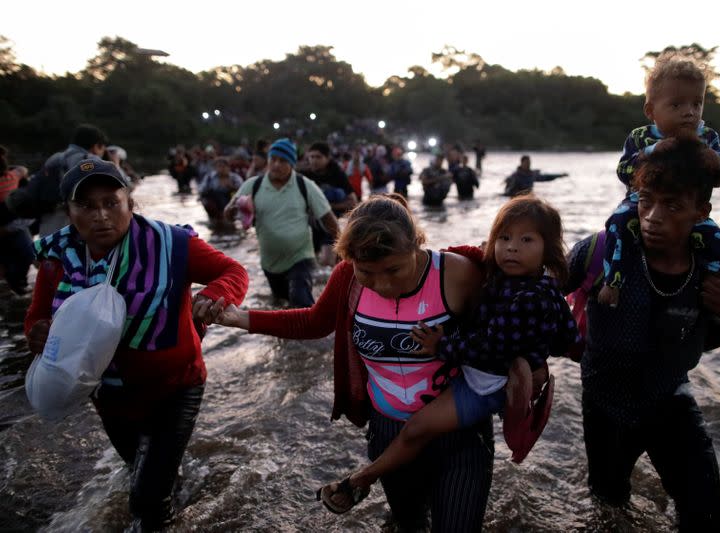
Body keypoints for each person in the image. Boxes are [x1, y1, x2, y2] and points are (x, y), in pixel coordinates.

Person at [211, 195, 509, 532]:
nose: (382, 284)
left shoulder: (457, 274)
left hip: (459, 434)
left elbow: (503, 334)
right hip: (388, 430)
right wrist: (241, 318)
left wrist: (530, 368)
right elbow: (313, 322)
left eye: (394, 270)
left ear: (416, 245)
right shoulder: (347, 279)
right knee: (408, 522)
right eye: (367, 272)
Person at [315, 195, 580, 514]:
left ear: (548, 249)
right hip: (401, 411)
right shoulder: (520, 283)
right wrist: (538, 354)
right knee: (407, 514)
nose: (512, 247)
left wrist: (443, 347)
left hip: (483, 383)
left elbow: (488, 348)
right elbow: (568, 335)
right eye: (505, 238)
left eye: (526, 240)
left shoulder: (526, 297)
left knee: (416, 430)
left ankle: (359, 480)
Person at [24, 159, 248, 530]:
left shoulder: (172, 245)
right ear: (69, 211)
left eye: (111, 203)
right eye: (86, 206)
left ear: (130, 203)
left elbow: (234, 272)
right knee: (140, 469)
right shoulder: (56, 259)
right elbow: (35, 316)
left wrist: (213, 295)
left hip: (175, 387)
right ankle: (174, 481)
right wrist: (37, 332)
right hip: (109, 397)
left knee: (145, 501)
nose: (100, 216)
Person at [566, 138, 720, 532]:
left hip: (669, 399)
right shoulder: (600, 251)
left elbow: (700, 339)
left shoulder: (710, 268)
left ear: (701, 211)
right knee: (609, 505)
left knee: (706, 517)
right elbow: (540, 301)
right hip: (604, 402)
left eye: (672, 206)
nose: (652, 217)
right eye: (645, 200)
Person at [599, 52, 720, 308]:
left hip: (687, 210)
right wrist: (651, 152)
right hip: (639, 204)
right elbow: (623, 171)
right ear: (651, 111)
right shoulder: (641, 138)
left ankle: (719, 289)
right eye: (677, 105)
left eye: (696, 104)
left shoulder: (707, 137)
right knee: (617, 224)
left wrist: (717, 161)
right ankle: (613, 282)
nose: (689, 113)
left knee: (717, 240)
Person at [224, 138, 339, 308]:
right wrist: (234, 209)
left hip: (301, 257)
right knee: (280, 305)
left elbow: (328, 218)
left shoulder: (305, 185)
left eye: (283, 161)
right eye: (273, 159)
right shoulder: (253, 185)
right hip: (270, 263)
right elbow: (227, 214)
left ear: (292, 164)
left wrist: (344, 247)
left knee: (301, 301)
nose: (276, 164)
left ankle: (314, 333)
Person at [0, 145, 35, 294]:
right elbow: (22, 170)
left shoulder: (12, 176)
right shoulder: (13, 175)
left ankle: (17, 283)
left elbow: (22, 170)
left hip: (14, 226)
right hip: (9, 227)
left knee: (28, 254)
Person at [198, 157, 243, 226]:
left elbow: (243, 191)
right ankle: (215, 219)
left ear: (228, 167)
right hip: (215, 204)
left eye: (224, 166)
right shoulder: (209, 177)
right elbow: (201, 190)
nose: (221, 169)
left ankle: (229, 218)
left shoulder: (234, 177)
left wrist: (232, 187)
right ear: (215, 168)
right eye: (219, 166)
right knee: (205, 199)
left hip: (230, 202)